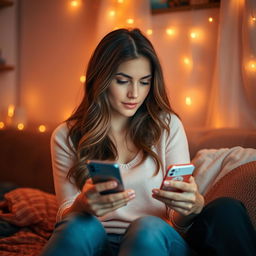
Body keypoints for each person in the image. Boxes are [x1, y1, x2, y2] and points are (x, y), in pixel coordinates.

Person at [41, 28, 256, 256]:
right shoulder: (66, 135)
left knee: (146, 227)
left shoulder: (166, 125)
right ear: (100, 78)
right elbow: (65, 215)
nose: (134, 93)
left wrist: (189, 208)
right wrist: (82, 206)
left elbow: (177, 219)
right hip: (97, 242)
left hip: (154, 241)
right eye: (123, 81)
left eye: (144, 82)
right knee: (77, 226)